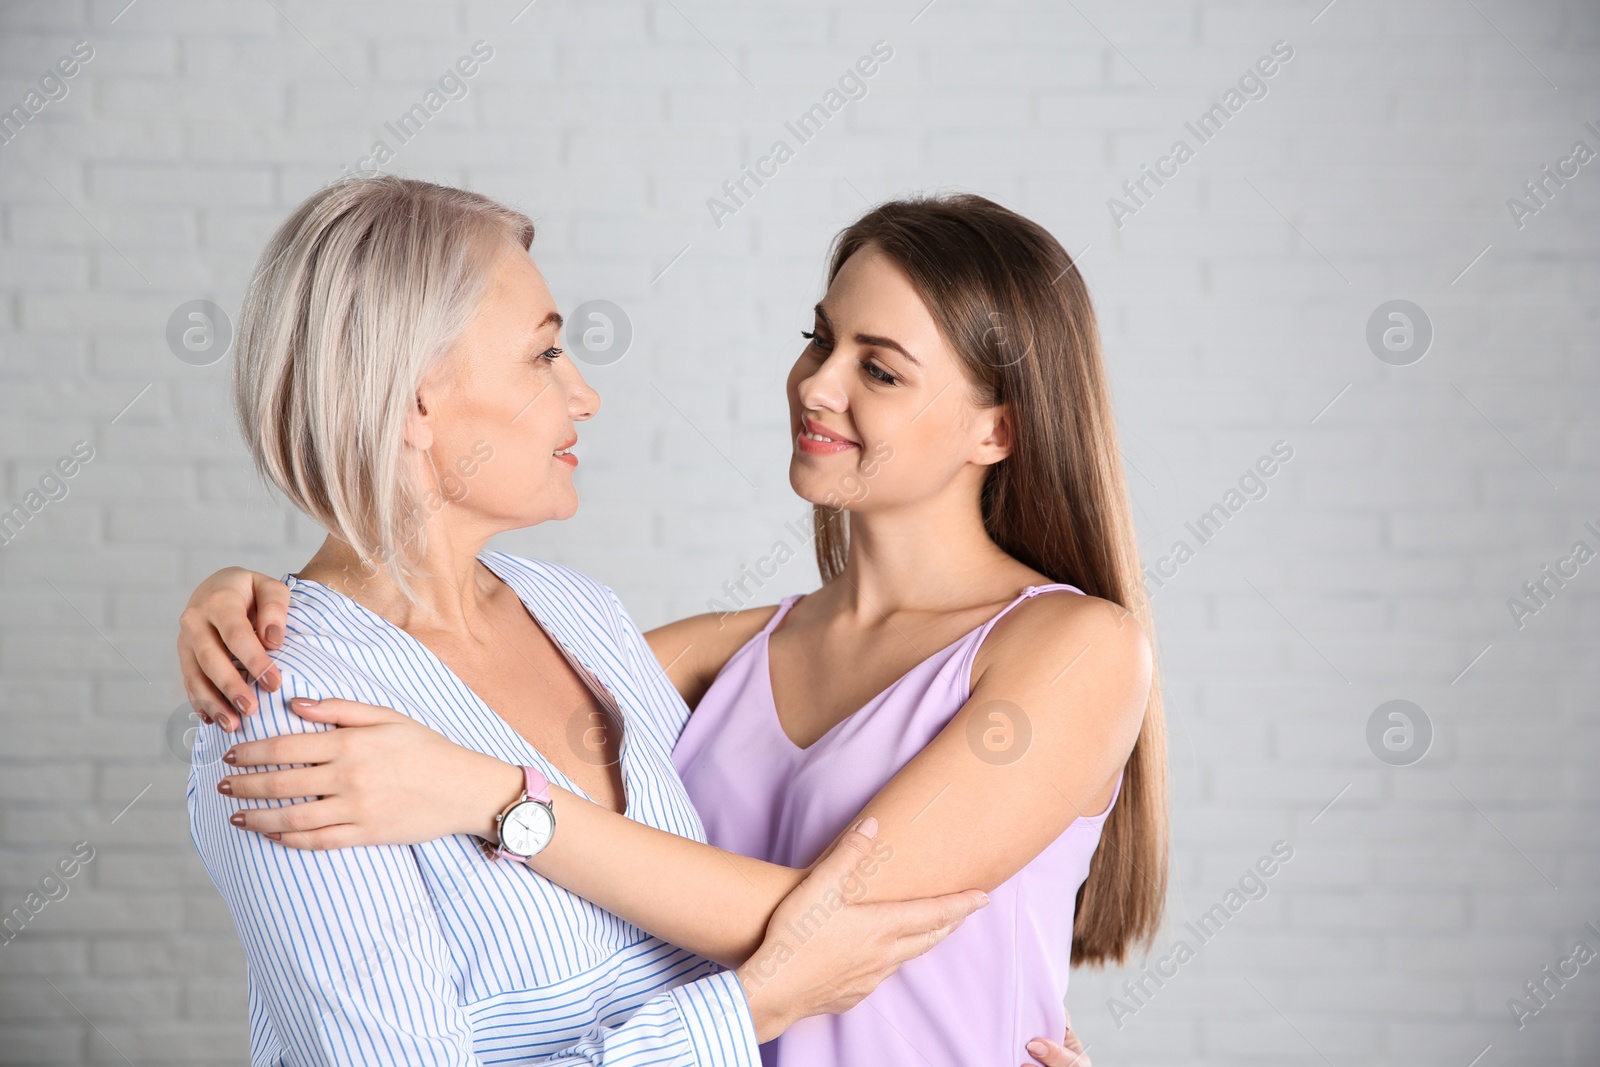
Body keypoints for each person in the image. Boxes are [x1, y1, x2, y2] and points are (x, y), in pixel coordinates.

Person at [183, 191, 1166, 1066]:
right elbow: (440, 674)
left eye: (883, 369)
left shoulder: (1075, 649)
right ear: (412, 396)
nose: (817, 386)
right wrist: (252, 597)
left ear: (998, 428)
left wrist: (496, 799)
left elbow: (836, 923)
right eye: (820, 341)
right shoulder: (697, 650)